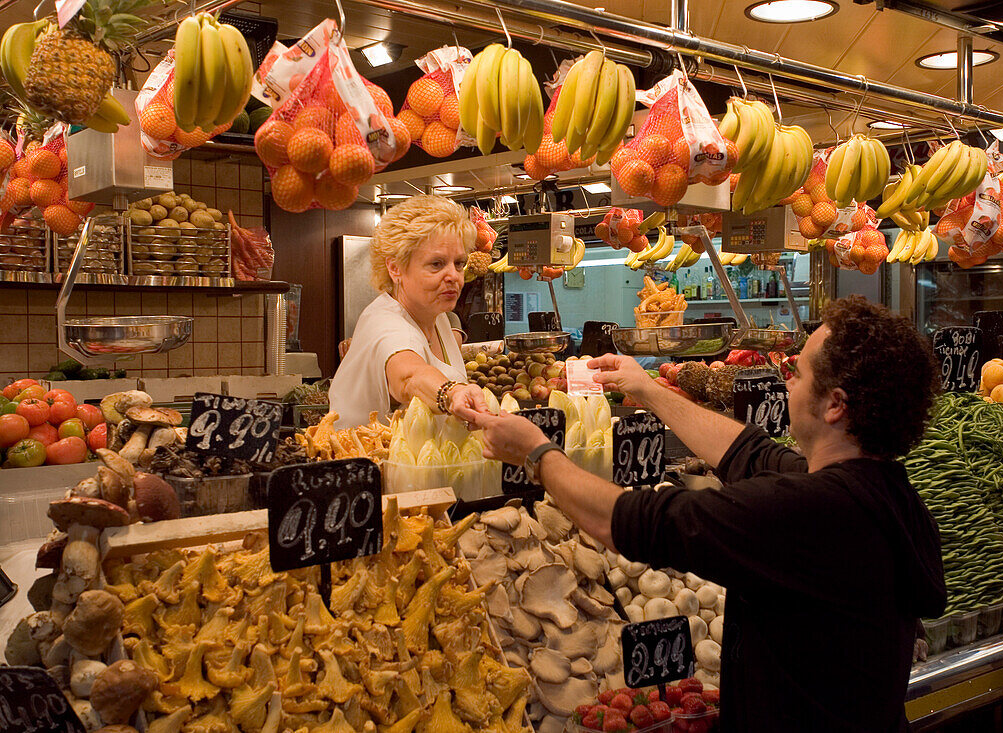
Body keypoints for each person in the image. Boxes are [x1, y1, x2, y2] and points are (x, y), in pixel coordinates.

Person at [457, 296, 946, 732]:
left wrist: (538, 454)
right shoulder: (884, 493)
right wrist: (646, 388)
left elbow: (628, 520)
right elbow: (749, 453)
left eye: (801, 371)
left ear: (835, 405)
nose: (788, 376)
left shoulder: (811, 513)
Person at [330, 196, 486, 428]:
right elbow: (409, 376)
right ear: (395, 268)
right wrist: (451, 394)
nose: (453, 275)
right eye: (437, 264)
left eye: (459, 263)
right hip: (365, 463)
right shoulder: (383, 322)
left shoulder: (437, 316)